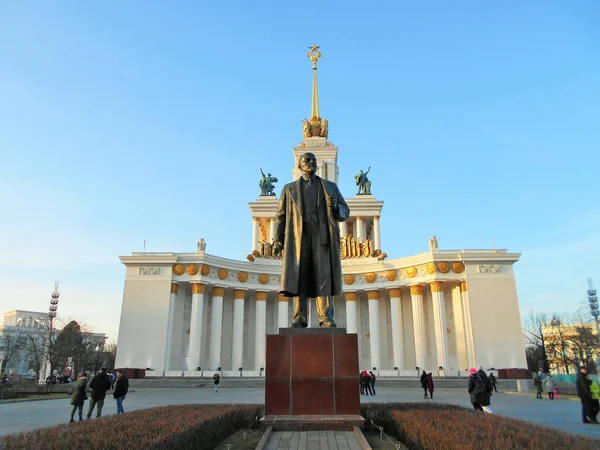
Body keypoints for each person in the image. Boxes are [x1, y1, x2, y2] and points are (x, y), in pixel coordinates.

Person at [273, 152, 350, 328]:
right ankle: (300, 317)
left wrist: (335, 207)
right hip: (298, 239)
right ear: (299, 166)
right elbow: (281, 216)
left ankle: (325, 317)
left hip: (322, 236)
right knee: (299, 276)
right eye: (306, 161)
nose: (311, 163)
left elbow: (346, 211)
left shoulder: (329, 187)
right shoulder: (288, 189)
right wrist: (278, 240)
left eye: (313, 161)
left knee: (323, 275)